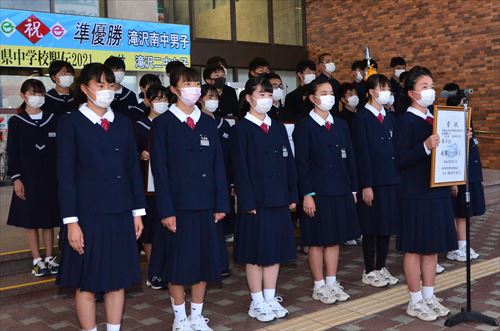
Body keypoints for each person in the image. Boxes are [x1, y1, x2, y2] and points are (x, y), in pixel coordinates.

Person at [57, 63, 145, 331]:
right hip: (87, 215)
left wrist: (138, 211)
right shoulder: (70, 123)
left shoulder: (123, 123)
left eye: (111, 85)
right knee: (87, 282)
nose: (107, 90)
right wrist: (71, 222)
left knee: (117, 280)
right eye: (100, 85)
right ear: (85, 89)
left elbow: (132, 168)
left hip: (120, 212)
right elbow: (66, 175)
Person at [151, 66, 229, 331]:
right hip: (178, 207)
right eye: (187, 84)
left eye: (196, 84)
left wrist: (221, 203)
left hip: (206, 205)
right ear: (174, 89)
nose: (193, 89)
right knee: (178, 265)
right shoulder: (162, 124)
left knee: (203, 263)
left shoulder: (208, 122)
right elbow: (159, 172)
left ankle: (197, 315)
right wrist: (166, 210)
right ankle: (180, 317)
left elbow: (219, 166)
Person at [395, 66, 459, 322]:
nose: (430, 91)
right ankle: (415, 300)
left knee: (431, 247)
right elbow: (399, 159)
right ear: (412, 93)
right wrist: (424, 146)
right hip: (414, 193)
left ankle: (429, 295)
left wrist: (460, 139)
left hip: (436, 191)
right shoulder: (405, 121)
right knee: (414, 248)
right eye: (424, 87)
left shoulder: (437, 118)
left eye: (431, 85)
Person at [232, 75, 297, 322]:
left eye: (269, 95)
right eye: (261, 95)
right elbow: (241, 169)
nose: (267, 99)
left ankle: (270, 299)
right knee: (255, 253)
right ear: (249, 98)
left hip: (279, 199)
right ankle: (256, 301)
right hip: (256, 203)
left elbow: (289, 162)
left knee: (274, 253)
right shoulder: (242, 130)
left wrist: (292, 194)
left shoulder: (278, 127)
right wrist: (247, 202)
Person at [293, 76, 359, 305]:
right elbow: (301, 164)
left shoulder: (341, 124)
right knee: (317, 241)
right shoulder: (304, 127)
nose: (329, 97)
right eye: (323, 93)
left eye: (331, 92)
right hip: (317, 193)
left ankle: (332, 281)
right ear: (313, 98)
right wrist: (307, 194)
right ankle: (319, 285)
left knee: (334, 240)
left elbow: (350, 158)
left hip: (340, 190)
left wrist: (352, 189)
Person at [351, 74, 400, 288]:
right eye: (382, 88)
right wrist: (366, 185)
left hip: (391, 180)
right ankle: (369, 269)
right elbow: (361, 154)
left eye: (388, 88)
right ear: (370, 91)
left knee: (386, 225)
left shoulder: (390, 118)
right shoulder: (361, 118)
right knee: (371, 226)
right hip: (372, 182)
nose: (386, 92)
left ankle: (381, 266)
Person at [7, 78, 60, 277]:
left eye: (39, 93)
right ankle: (37, 259)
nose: (36, 97)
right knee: (30, 220)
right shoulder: (16, 122)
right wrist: (16, 179)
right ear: (23, 96)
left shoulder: (53, 119)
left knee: (49, 219)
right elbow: (13, 152)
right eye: (32, 93)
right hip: (27, 179)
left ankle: (49, 257)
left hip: (50, 178)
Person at [134, 84, 170, 290]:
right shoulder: (139, 125)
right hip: (146, 186)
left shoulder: (170, 123)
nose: (161, 103)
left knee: (164, 227)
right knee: (149, 229)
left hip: (166, 185)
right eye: (157, 99)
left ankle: (164, 268)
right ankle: (153, 271)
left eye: (165, 99)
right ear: (147, 101)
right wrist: (142, 154)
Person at [444, 83, 484, 262]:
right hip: (458, 175)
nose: (465, 107)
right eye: (462, 103)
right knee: (458, 212)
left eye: (466, 103)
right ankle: (455, 246)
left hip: (471, 173)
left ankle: (463, 244)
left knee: (466, 213)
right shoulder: (449, 124)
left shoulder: (468, 120)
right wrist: (453, 181)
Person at [198, 84, 233, 277]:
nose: (213, 100)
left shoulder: (223, 123)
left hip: (223, 179)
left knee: (219, 225)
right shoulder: (197, 121)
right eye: (209, 96)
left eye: (216, 96)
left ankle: (221, 263)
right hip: (203, 181)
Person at [104, 56, 143, 122]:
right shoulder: (102, 94)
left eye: (122, 70)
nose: (119, 72)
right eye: (116, 70)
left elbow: (135, 117)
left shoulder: (130, 95)